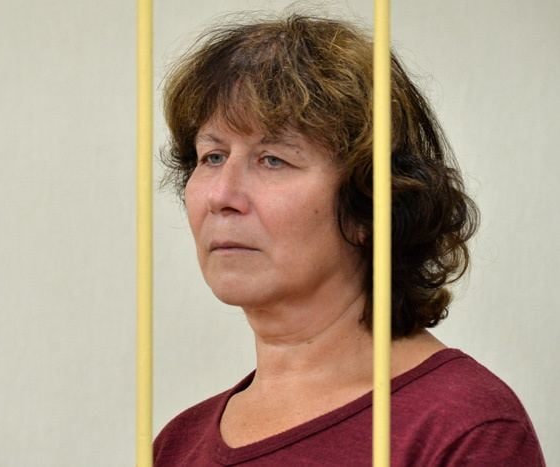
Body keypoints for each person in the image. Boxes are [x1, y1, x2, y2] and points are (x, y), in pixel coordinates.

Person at [153, 13, 545, 466]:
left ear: (369, 203)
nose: (221, 195)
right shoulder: (176, 446)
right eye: (212, 156)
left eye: (273, 159)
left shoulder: (463, 428)